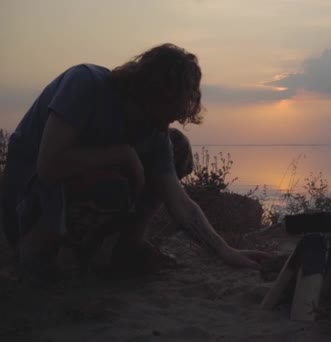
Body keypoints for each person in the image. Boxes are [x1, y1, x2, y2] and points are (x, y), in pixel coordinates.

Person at [1, 43, 269, 278]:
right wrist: (123, 155)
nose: (167, 124)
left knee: (178, 146)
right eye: (168, 111)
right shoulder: (86, 83)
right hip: (27, 201)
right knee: (111, 186)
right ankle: (40, 250)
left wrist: (225, 251)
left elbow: (180, 202)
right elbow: (49, 165)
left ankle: (127, 247)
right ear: (150, 91)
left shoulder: (154, 129)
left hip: (73, 192)